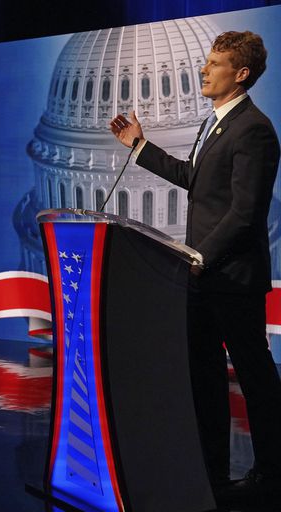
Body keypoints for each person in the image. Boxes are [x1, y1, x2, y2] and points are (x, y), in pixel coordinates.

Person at [110, 31, 281, 504]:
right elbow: (193, 180)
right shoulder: (217, 124)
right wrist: (139, 146)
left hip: (231, 279)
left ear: (241, 73)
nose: (204, 70)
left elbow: (245, 214)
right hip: (202, 278)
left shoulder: (254, 129)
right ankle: (213, 471)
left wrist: (200, 256)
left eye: (215, 63)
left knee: (254, 377)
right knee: (203, 376)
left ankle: (272, 472)